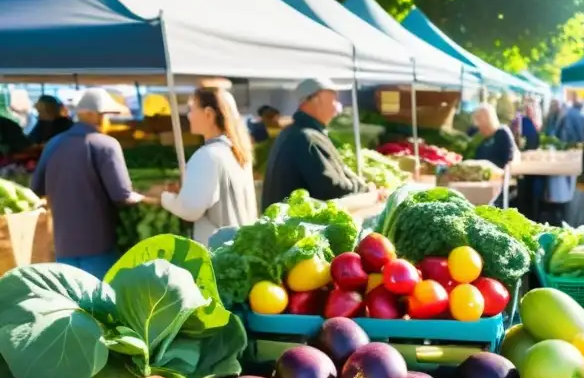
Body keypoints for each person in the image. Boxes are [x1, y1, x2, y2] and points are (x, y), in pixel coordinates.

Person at [30, 88, 146, 278]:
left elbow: (36, 188)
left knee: (73, 302)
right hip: (98, 244)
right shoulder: (106, 144)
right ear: (96, 116)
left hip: (63, 245)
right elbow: (122, 195)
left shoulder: (53, 143)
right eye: (107, 116)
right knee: (101, 303)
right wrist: (149, 198)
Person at [160, 87, 258, 247]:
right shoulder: (237, 151)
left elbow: (190, 209)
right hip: (241, 248)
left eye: (191, 109)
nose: (189, 116)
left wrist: (166, 198)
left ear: (208, 114)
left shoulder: (208, 155)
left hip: (218, 254)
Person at [261, 78, 367, 209]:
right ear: (315, 100)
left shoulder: (296, 133)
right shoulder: (306, 138)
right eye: (333, 100)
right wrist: (365, 191)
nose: (337, 107)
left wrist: (362, 185)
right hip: (297, 226)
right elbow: (334, 189)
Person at [472, 103, 516, 169]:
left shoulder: (502, 133)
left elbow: (509, 160)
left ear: (487, 119)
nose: (477, 125)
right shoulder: (483, 140)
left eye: (479, 119)